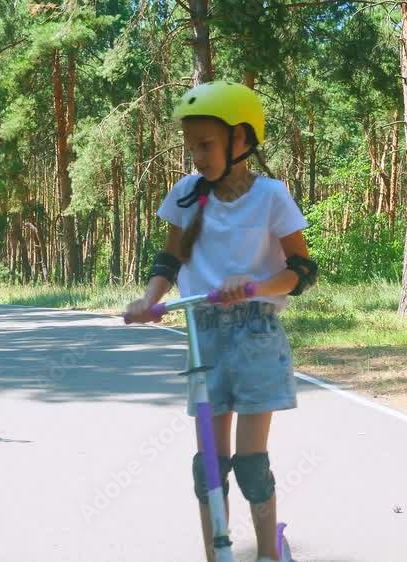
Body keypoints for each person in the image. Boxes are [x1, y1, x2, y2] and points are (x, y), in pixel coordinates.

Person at [123, 80, 318, 562]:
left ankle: (270, 552)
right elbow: (169, 261)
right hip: (202, 336)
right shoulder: (187, 196)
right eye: (191, 146)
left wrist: (254, 286)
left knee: (252, 465)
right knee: (209, 466)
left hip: (256, 335)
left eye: (206, 144)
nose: (196, 155)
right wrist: (149, 299)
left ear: (242, 139)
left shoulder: (271, 196)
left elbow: (302, 272)